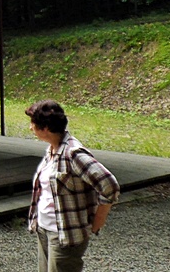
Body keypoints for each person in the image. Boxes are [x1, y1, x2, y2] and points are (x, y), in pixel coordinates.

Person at [26, 100, 120, 272]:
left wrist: (98, 220)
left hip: (65, 236)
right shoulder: (53, 149)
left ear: (45, 128)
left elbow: (109, 185)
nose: (30, 128)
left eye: (33, 123)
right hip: (44, 229)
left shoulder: (73, 154)